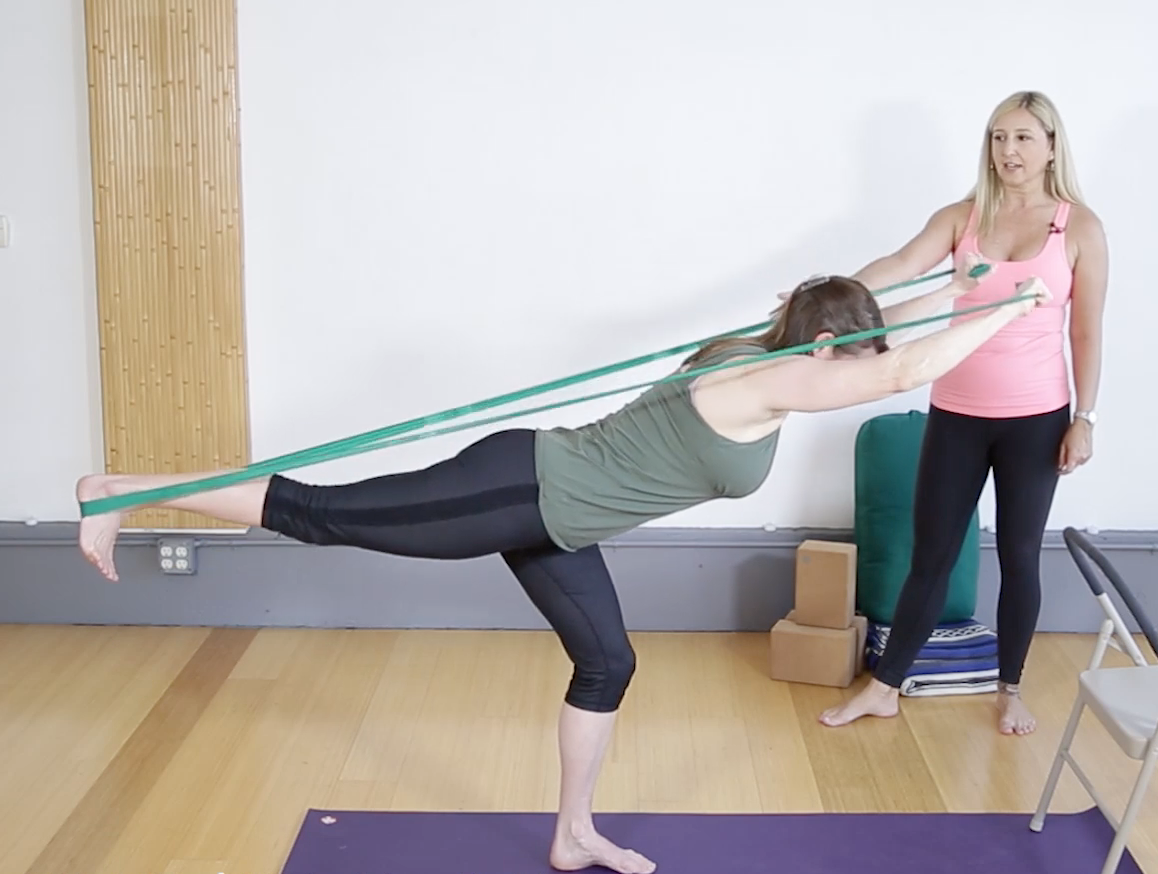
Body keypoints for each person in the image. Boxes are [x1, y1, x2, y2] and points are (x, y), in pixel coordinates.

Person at [76, 265, 1047, 874]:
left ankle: (571, 833)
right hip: (521, 490)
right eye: (849, 351)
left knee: (608, 662)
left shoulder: (770, 340)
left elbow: (870, 315)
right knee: (319, 515)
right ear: (824, 347)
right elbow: (899, 367)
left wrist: (964, 287)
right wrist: (1014, 307)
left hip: (557, 518)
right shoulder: (764, 373)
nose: (853, 366)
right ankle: (119, 490)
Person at [819, 90, 1109, 737]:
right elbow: (899, 266)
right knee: (933, 556)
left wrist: (1084, 417)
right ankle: (886, 686)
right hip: (957, 411)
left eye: (1024, 138)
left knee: (1020, 555)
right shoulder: (963, 217)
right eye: (999, 137)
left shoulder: (1078, 228)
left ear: (1052, 146)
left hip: (1037, 418)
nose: (1009, 151)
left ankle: (1010, 690)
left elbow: (1085, 333)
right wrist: (831, 297)